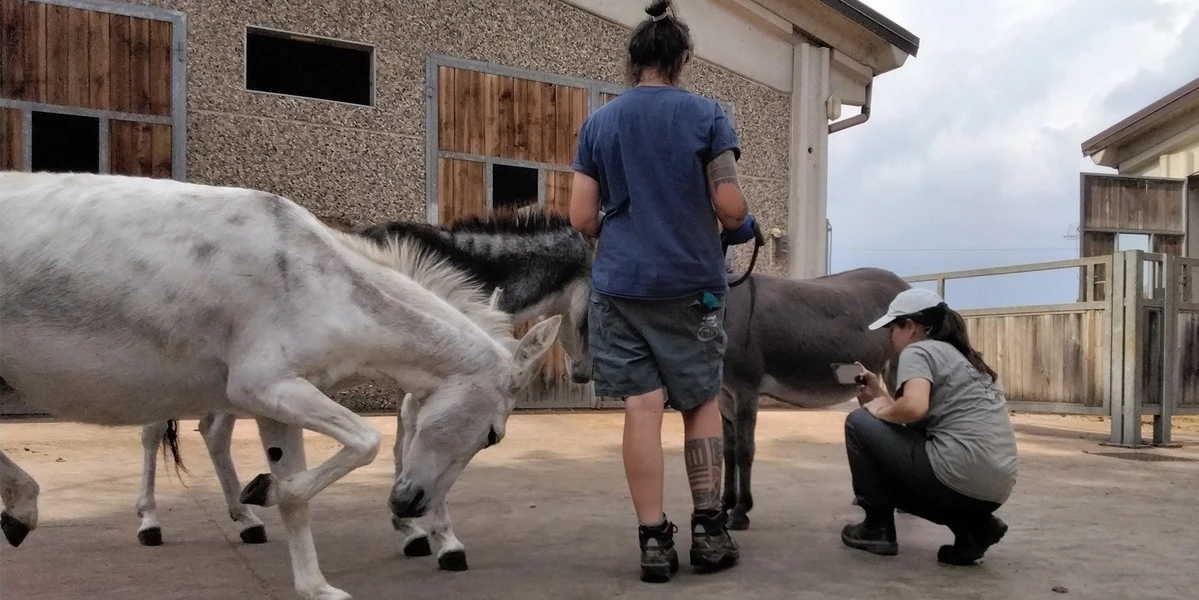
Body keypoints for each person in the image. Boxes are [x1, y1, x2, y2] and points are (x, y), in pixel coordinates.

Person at [567, 0, 758, 584]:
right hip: (691, 286)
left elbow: (581, 217)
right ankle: (709, 532)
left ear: (634, 61)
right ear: (683, 59)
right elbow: (728, 203)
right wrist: (740, 222)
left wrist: (622, 231)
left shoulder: (599, 123)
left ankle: (653, 541)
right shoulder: (707, 115)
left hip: (621, 286)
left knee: (641, 408)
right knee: (700, 402)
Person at [842, 287, 1018, 566]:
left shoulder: (918, 350)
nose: (890, 335)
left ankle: (876, 528)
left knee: (858, 422)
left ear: (911, 327)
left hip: (957, 474)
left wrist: (877, 409)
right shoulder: (966, 358)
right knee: (884, 430)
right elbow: (914, 417)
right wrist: (880, 396)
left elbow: (913, 407)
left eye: (893, 328)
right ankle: (974, 528)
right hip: (995, 487)